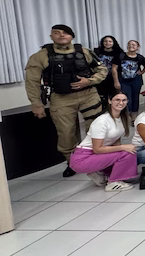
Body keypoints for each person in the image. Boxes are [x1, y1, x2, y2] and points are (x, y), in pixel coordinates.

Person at [25, 24, 108, 177]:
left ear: (72, 36)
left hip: (88, 94)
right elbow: (32, 81)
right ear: (51, 37)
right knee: (66, 133)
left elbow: (102, 69)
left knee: (97, 127)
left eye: (65, 33)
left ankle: (98, 159)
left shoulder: (84, 52)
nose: (61, 35)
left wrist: (89, 81)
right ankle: (73, 162)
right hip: (61, 98)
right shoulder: (41, 56)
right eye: (57, 33)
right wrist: (36, 104)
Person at [69, 92, 138, 191]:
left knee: (127, 152)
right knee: (127, 153)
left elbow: (115, 141)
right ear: (110, 101)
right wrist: (123, 148)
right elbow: (97, 149)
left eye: (124, 100)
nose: (121, 103)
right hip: (83, 158)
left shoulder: (121, 118)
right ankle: (113, 183)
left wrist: (121, 150)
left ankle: (102, 174)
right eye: (117, 100)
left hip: (94, 154)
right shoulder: (102, 121)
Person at [112, 40, 145, 113]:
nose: (131, 46)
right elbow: (114, 69)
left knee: (135, 98)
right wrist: (116, 81)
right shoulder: (120, 56)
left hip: (136, 81)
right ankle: (127, 115)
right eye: (129, 44)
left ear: (138, 47)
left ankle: (134, 116)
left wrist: (142, 72)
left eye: (133, 44)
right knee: (126, 98)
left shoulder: (140, 57)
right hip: (123, 81)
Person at [94, 35, 123, 107]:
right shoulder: (97, 52)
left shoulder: (118, 52)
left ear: (113, 43)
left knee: (113, 96)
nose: (107, 43)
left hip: (113, 78)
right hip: (100, 78)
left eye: (110, 41)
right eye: (105, 41)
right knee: (101, 98)